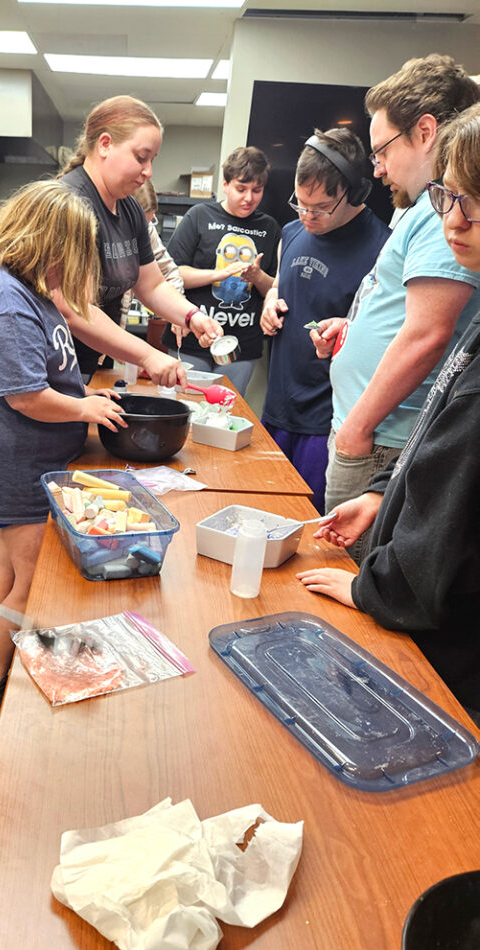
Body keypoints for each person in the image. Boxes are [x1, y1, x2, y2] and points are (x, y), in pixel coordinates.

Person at [297, 104, 480, 722]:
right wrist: (383, 491)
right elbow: (438, 427)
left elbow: (458, 492)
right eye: (444, 197)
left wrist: (373, 589)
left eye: (467, 201)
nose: (451, 219)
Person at [0, 180, 127, 730]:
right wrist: (84, 409)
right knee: (35, 582)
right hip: (19, 465)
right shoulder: (3, 300)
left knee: (10, 569)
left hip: (16, 460)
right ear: (47, 244)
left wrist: (81, 399)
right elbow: (24, 395)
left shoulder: (12, 278)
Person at [311, 54, 480, 558]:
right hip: (372, 433)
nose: (377, 165)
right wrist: (356, 324)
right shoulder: (424, 207)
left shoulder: (445, 212)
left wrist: (356, 431)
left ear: (425, 131)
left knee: (351, 595)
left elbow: (428, 334)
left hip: (380, 438)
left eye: (382, 148)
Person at [260, 128, 390, 511]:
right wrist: (270, 299)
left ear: (353, 193)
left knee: (311, 526)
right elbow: (281, 284)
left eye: (318, 208)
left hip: (329, 421)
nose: (306, 215)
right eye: (300, 204)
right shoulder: (291, 232)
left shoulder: (382, 248)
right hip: (278, 405)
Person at [60, 95, 222, 383]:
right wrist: (148, 355)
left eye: (151, 160)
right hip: (51, 362)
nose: (148, 172)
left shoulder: (129, 208)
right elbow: (75, 309)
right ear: (105, 144)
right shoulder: (71, 205)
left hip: (89, 361)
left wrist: (190, 316)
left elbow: (152, 284)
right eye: (140, 157)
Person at [162, 145, 280, 395]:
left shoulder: (269, 228)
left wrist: (257, 277)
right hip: (192, 338)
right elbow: (171, 274)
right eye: (241, 189)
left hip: (242, 345)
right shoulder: (199, 215)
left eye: (256, 190)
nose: (249, 198)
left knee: (227, 411)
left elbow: (277, 288)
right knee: (186, 406)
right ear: (225, 185)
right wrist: (218, 274)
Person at [119, 181, 185, 351]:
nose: (145, 230)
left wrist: (180, 313)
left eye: (149, 223)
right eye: (141, 224)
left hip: (111, 336)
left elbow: (169, 273)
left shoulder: (146, 229)